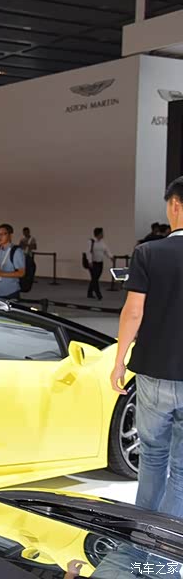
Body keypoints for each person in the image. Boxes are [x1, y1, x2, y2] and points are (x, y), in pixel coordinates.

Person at [111, 177, 183, 518]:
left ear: (175, 205)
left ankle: (142, 531)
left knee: (153, 456)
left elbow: (133, 312)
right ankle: (168, 538)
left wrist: (119, 361)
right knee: (182, 468)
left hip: (154, 371)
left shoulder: (148, 253)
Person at [0, 223, 25, 300]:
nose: (0, 237)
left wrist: (1, 274)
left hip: (11, 292)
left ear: (10, 235)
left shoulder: (16, 251)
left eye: (3, 234)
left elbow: (21, 273)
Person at [85, 227, 112, 300]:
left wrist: (111, 257)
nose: (103, 234)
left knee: (95, 278)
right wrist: (89, 261)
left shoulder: (102, 242)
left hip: (100, 263)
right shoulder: (91, 241)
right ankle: (98, 294)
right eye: (102, 233)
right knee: (95, 279)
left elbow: (106, 250)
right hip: (93, 263)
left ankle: (89, 293)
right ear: (98, 234)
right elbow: (88, 252)